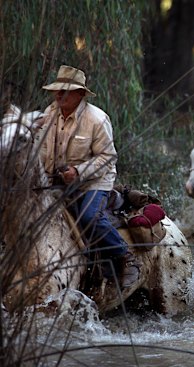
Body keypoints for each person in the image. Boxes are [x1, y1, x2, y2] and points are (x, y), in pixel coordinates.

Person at [40, 65, 140, 288]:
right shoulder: (48, 114)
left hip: (94, 182)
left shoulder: (97, 119)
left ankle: (125, 256)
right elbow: (42, 150)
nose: (59, 94)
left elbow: (107, 157)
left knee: (89, 217)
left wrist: (78, 172)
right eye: (57, 90)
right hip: (53, 181)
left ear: (81, 94)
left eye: (66, 90)